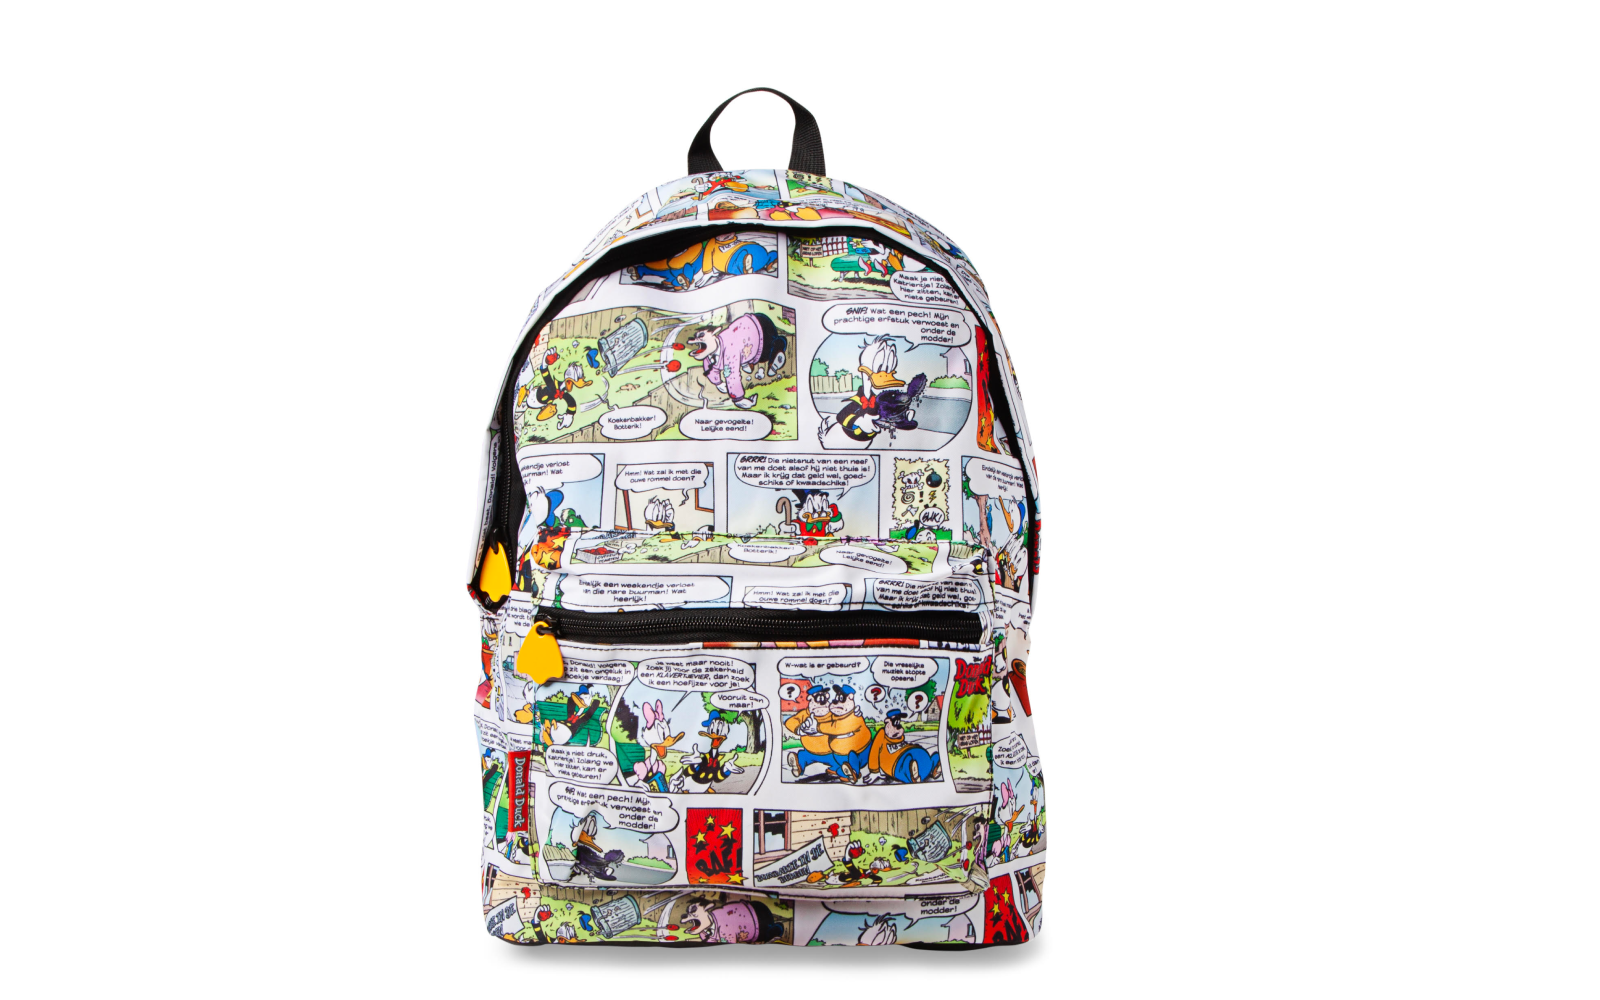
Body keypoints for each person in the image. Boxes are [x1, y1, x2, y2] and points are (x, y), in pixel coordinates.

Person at [867, 708, 942, 783]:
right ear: (887, 721)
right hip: (896, 762)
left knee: (928, 757)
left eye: (898, 722)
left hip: (909, 751)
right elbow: (874, 750)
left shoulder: (899, 735)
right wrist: (874, 771)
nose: (898, 726)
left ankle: (934, 766)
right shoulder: (882, 733)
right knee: (907, 763)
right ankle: (913, 775)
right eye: (895, 722)